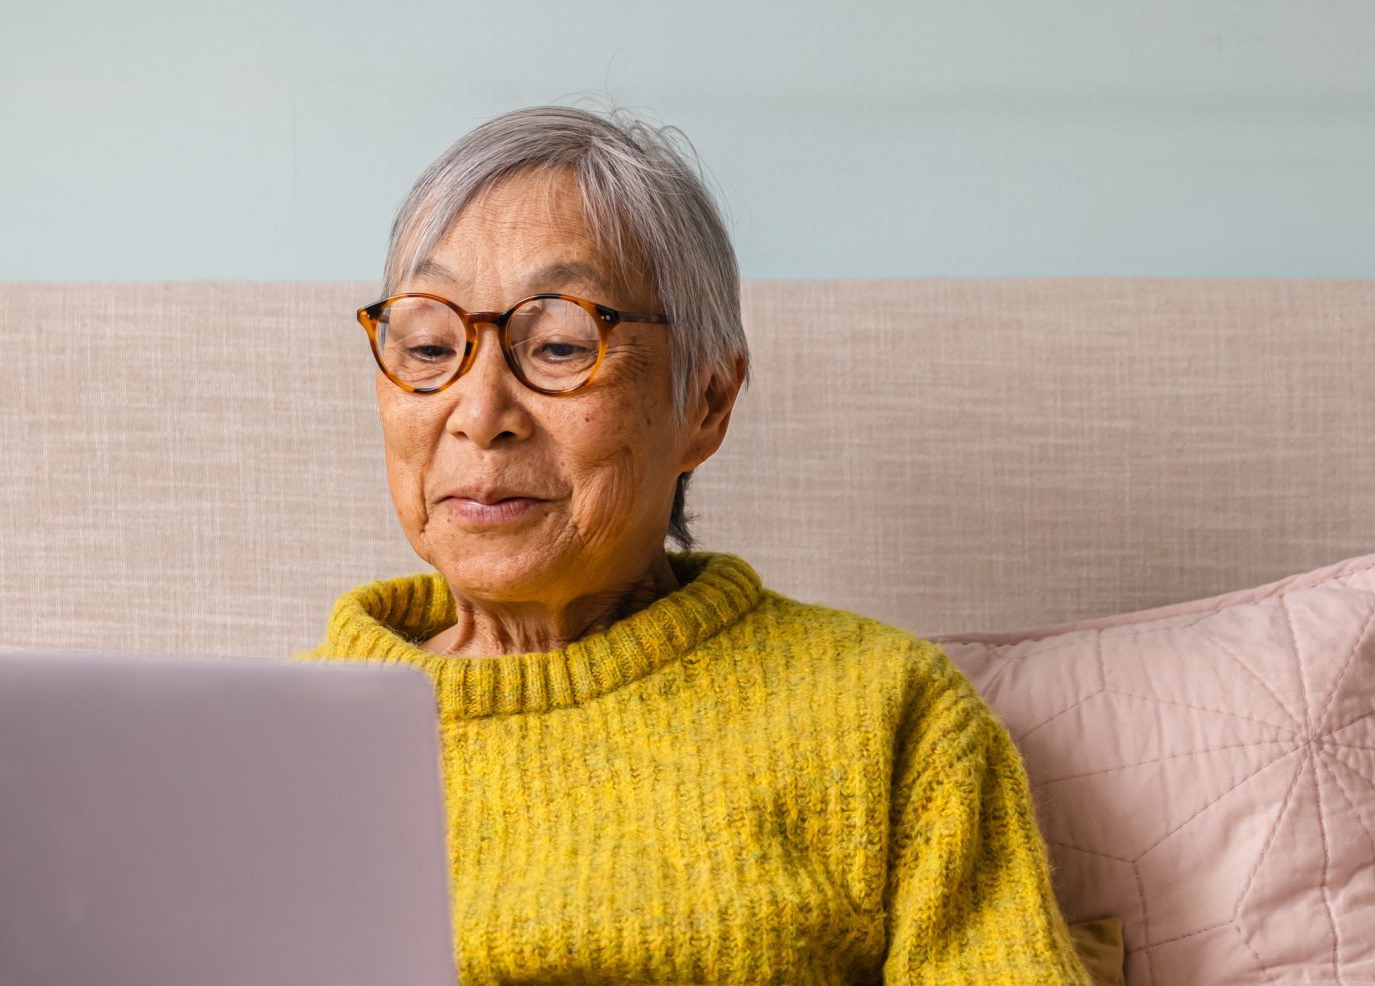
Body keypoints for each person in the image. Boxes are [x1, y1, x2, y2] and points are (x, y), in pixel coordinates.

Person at [294, 103, 1090, 985]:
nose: (480, 416)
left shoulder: (886, 715)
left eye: (559, 345)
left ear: (706, 403)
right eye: (431, 345)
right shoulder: (259, 744)